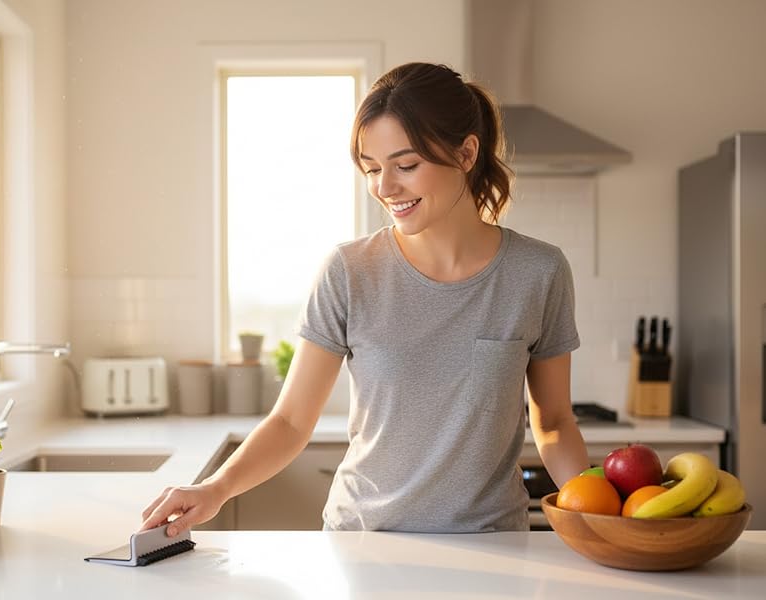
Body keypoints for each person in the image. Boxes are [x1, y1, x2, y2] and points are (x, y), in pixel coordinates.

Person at [141, 62, 590, 535]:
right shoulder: (349, 272)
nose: (385, 187)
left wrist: (595, 512)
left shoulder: (538, 272)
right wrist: (216, 488)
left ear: (466, 153)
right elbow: (292, 421)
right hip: (364, 544)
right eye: (372, 169)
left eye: (406, 165)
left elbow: (555, 421)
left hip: (492, 544)